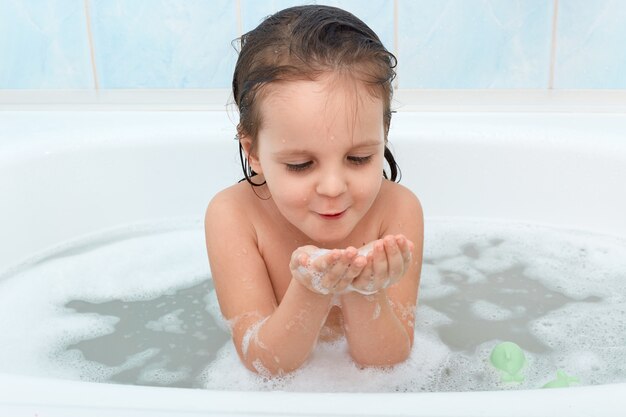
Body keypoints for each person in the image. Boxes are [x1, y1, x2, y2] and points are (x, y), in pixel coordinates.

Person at [205, 5, 423, 376]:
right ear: (253, 151)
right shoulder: (234, 216)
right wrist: (310, 289)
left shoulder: (397, 210)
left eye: (358, 158)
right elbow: (265, 362)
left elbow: (386, 360)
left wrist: (364, 290)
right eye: (300, 165)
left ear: (383, 135)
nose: (334, 187)